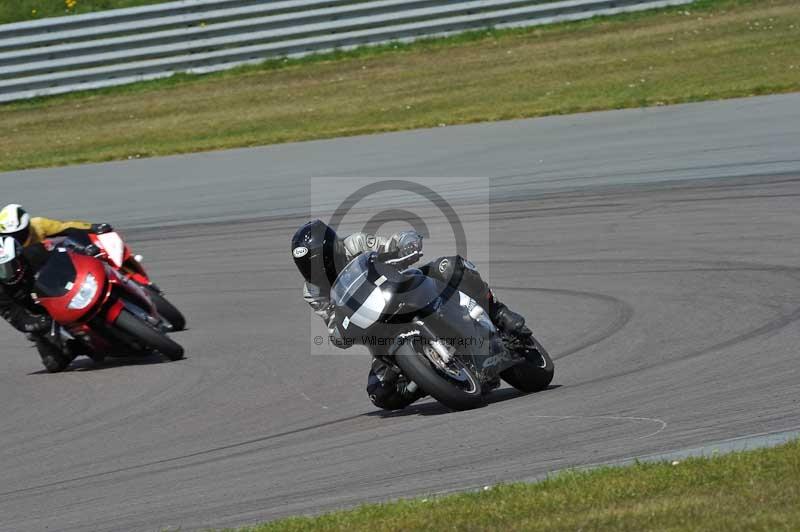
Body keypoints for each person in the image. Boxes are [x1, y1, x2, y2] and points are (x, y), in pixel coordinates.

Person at [291, 219, 532, 411]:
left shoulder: (356, 243)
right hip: (378, 325)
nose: (314, 271)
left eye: (315, 262)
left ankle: (499, 313)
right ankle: (429, 376)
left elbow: (390, 244)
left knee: (450, 268)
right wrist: (339, 334)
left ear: (330, 250)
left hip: (402, 289)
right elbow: (332, 321)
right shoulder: (312, 291)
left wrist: (406, 243)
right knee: (379, 393)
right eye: (305, 267)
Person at [0, 204, 111, 248]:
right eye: (8, 235)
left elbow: (67, 227)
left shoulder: (38, 224)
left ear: (27, 227)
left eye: (18, 234)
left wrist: (92, 227)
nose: (15, 238)